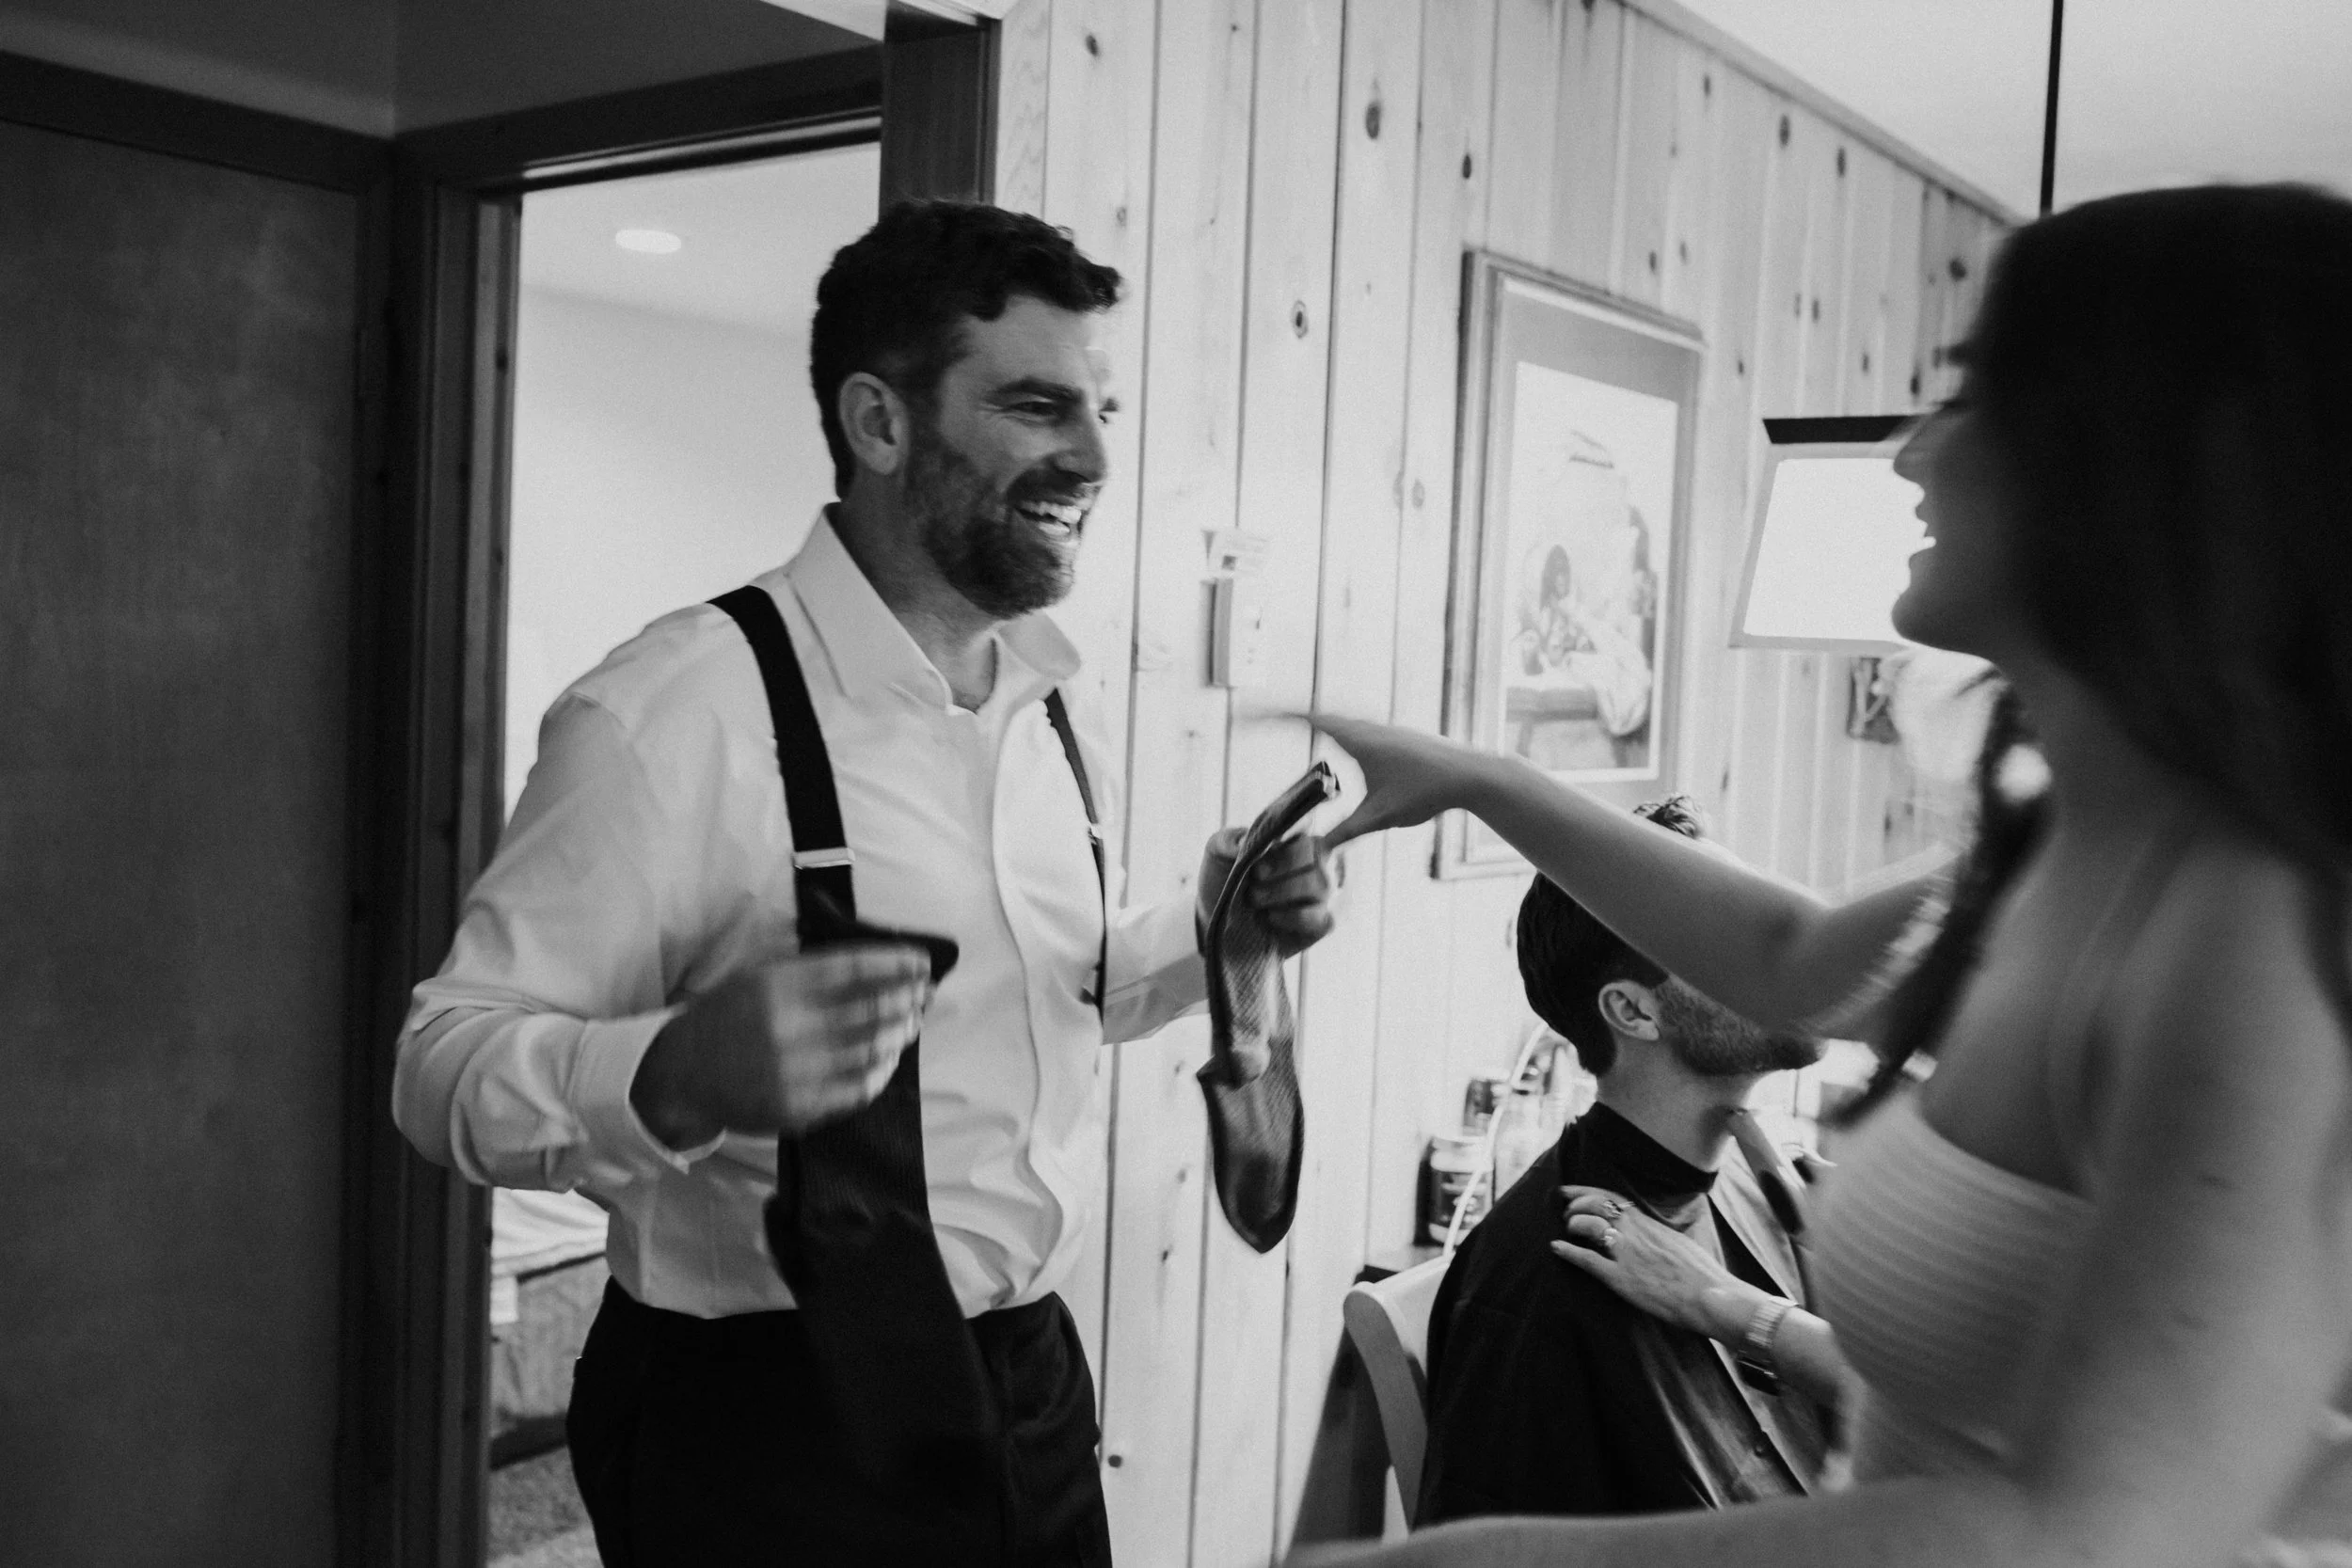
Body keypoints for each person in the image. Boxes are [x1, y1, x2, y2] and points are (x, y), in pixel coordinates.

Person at [1298, 182, 2352, 1567]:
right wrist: (1478, 777)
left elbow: (2093, 1534)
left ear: (2143, 461)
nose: (1911, 453)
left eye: (1972, 393)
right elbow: (1790, 954)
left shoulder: (2251, 928)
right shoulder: (2058, 839)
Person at [391, 200, 1338, 1566]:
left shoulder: (1055, 705)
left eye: (1103, 410)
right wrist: (672, 1072)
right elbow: (440, 1064)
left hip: (1028, 1388)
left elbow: (1055, 995)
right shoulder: (672, 712)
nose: (1091, 455)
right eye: (1035, 405)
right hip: (765, 1426)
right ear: (880, 423)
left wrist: (1214, 936)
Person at [1417, 798, 1829, 1526]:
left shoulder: (1756, 1182)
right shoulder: (1537, 1290)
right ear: (1634, 1011)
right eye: (1728, 934)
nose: (1785, 945)